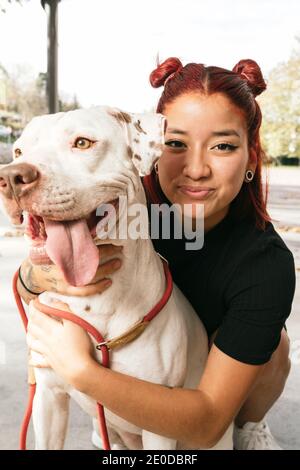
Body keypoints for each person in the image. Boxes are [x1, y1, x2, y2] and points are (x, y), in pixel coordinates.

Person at [19, 57, 296, 450]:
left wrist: (80, 371)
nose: (196, 169)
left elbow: (204, 423)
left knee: (274, 347)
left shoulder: (264, 263)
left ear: (251, 158)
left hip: (205, 375)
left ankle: (249, 426)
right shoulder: (126, 205)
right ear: (149, 147)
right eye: (176, 144)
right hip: (141, 357)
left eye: (222, 146)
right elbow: (36, 272)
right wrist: (37, 275)